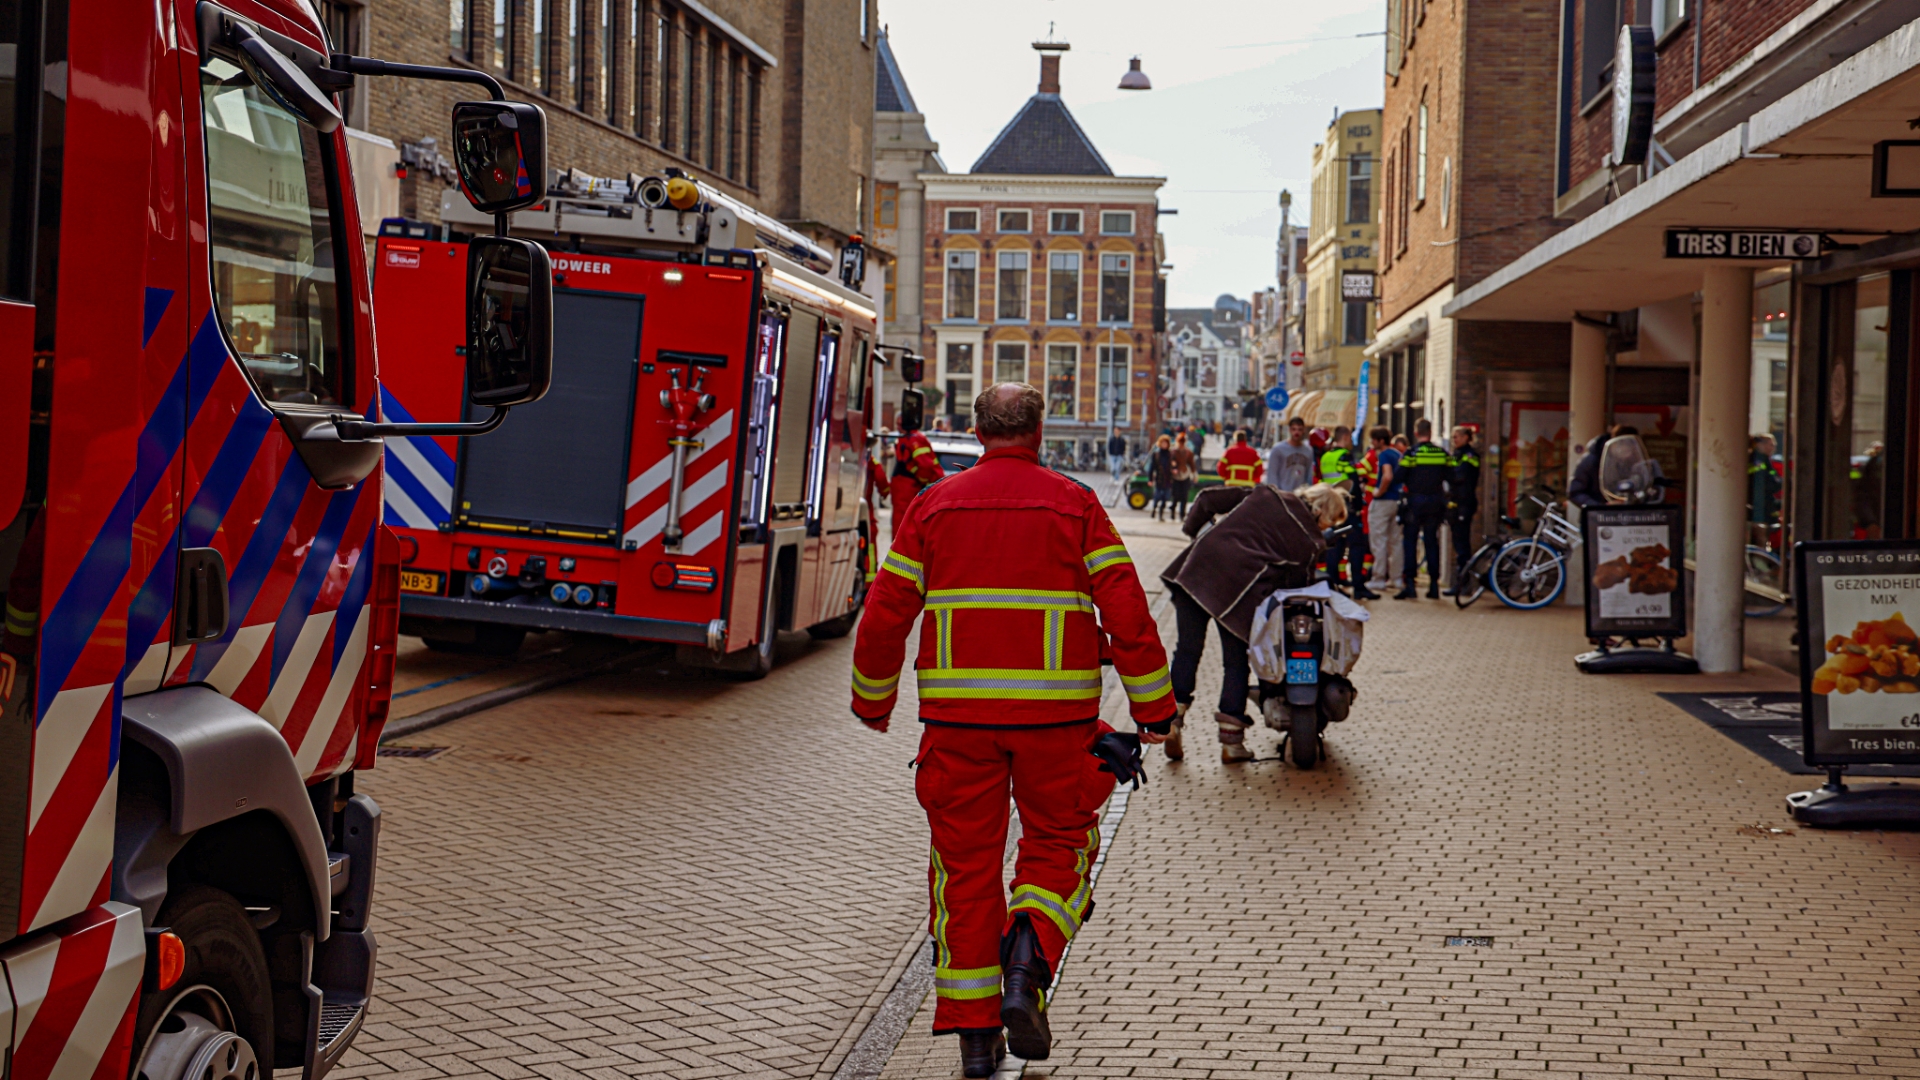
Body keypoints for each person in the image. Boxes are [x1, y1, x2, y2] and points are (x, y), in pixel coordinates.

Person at [851, 383, 1175, 1077]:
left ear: (975, 429)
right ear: (1039, 430)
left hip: (957, 725)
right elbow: (1127, 610)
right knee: (1060, 841)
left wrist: (873, 699)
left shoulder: (935, 505)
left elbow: (885, 610)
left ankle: (975, 1044)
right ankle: (1026, 966)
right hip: (1056, 723)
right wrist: (1154, 708)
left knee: (963, 872)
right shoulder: (1075, 503)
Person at [1162, 481, 1348, 762]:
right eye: (1330, 520)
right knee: (1235, 663)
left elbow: (1206, 499)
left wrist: (1197, 537)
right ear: (1322, 512)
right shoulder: (1310, 543)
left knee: (1187, 649)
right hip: (1236, 597)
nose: (1326, 527)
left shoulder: (1266, 493)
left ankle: (1172, 723)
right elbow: (1297, 587)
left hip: (1197, 570)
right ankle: (1231, 742)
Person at [1317, 426, 1375, 598]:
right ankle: (1359, 587)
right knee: (1357, 545)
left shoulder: (1326, 456)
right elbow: (1353, 482)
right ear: (1346, 437)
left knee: (1335, 545)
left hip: (1332, 508)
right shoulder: (1344, 456)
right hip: (1347, 509)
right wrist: (1358, 506)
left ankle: (1332, 584)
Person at [1396, 419, 1451, 600]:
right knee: (1431, 542)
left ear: (1416, 432)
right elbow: (1453, 476)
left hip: (1415, 502)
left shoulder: (1411, 453)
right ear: (1431, 431)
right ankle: (1434, 585)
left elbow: (1399, 476)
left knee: (1410, 542)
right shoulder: (1442, 453)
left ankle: (1410, 585)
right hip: (1435, 502)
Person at [891, 413, 946, 537]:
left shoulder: (914, 439)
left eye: (900, 424)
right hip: (905, 497)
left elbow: (926, 468)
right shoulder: (908, 438)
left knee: (904, 533)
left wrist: (919, 479)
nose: (898, 427)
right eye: (897, 424)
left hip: (908, 495)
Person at [1444, 426, 1481, 595]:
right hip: (1456, 504)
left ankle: (1463, 585)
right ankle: (1461, 583)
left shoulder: (1470, 456)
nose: (1454, 440)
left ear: (1467, 437)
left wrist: (1446, 473)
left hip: (1464, 505)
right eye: (1453, 437)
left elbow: (1460, 476)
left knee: (1463, 546)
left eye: (1457, 436)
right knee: (1459, 545)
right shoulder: (1456, 455)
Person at [1365, 427, 1404, 592]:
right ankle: (1396, 579)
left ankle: (1379, 578)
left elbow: (1387, 475)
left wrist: (1378, 491)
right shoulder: (1398, 454)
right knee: (1395, 542)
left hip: (1383, 502)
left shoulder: (1385, 455)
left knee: (1379, 540)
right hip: (1398, 501)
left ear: (1380, 441)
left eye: (1374, 440)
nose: (1372, 443)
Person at [1748, 434, 1781, 548]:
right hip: (1758, 509)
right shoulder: (1757, 460)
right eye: (1770, 445)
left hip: (1763, 507)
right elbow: (1771, 483)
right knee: (1760, 538)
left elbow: (1774, 478)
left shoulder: (1765, 460)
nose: (1773, 448)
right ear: (1759, 445)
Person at [1267, 416, 1317, 491]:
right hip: (1283, 493)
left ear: (1304, 430)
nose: (1296, 432)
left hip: (1300, 494)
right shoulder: (1278, 449)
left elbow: (1309, 474)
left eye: (1300, 429)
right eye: (1294, 429)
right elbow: (1272, 474)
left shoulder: (1308, 450)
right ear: (1289, 430)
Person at [1151, 434, 1175, 520]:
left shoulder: (1171, 455)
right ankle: (1154, 509)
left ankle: (1161, 514)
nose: (1164, 445)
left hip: (1168, 479)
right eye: (1163, 443)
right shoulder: (1156, 454)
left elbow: (1174, 465)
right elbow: (1152, 467)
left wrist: (1174, 469)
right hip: (1159, 479)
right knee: (1157, 497)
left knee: (1165, 498)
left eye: (1166, 443)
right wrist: (1150, 479)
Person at [1170, 431, 1196, 512]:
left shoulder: (1188, 452)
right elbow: (1170, 463)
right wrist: (1172, 468)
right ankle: (1173, 508)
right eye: (1180, 442)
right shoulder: (1173, 452)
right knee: (1176, 495)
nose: (1181, 444)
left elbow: (1192, 464)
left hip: (1185, 475)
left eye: (1183, 442)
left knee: (1184, 496)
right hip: (1175, 476)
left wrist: (1194, 475)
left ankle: (1182, 513)